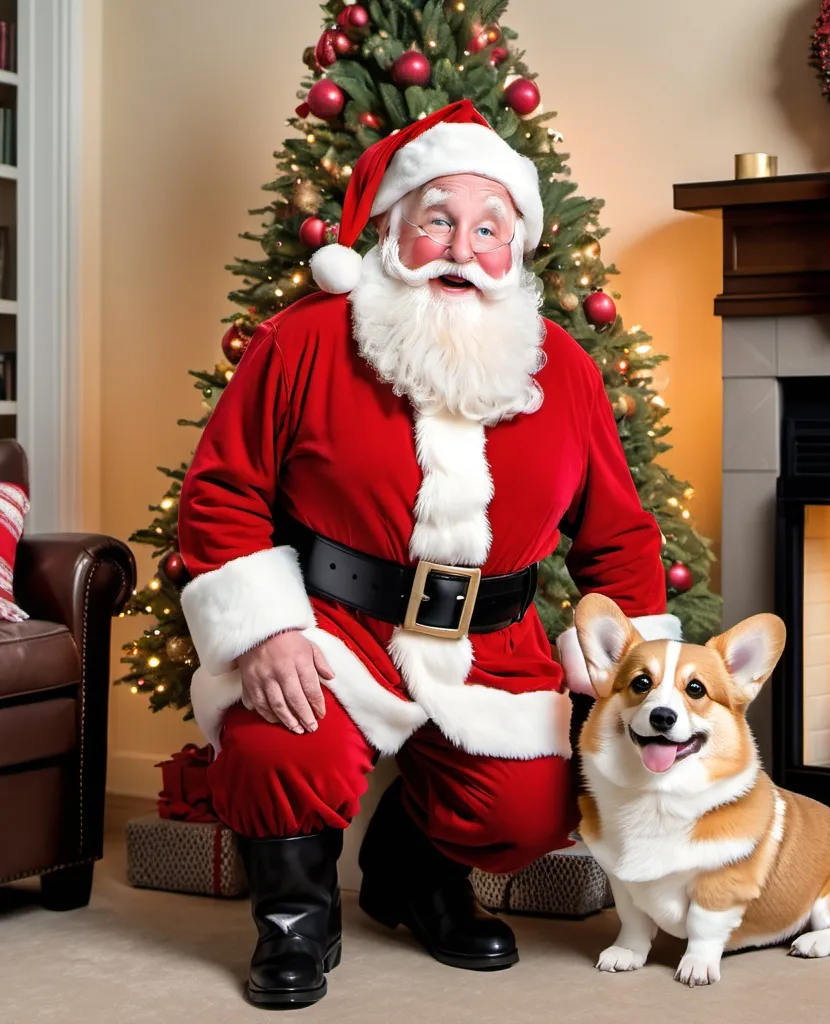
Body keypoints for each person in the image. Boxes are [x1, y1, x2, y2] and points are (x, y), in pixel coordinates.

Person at [177, 99, 679, 1010]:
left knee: (535, 806)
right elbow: (222, 492)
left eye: (489, 227)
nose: (462, 246)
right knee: (279, 742)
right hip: (332, 622)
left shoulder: (563, 370)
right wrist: (262, 631)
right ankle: (295, 920)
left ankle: (413, 874)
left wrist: (623, 668)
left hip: (496, 641)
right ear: (393, 229)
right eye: (438, 218)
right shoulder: (305, 340)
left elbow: (623, 537)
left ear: (516, 249)